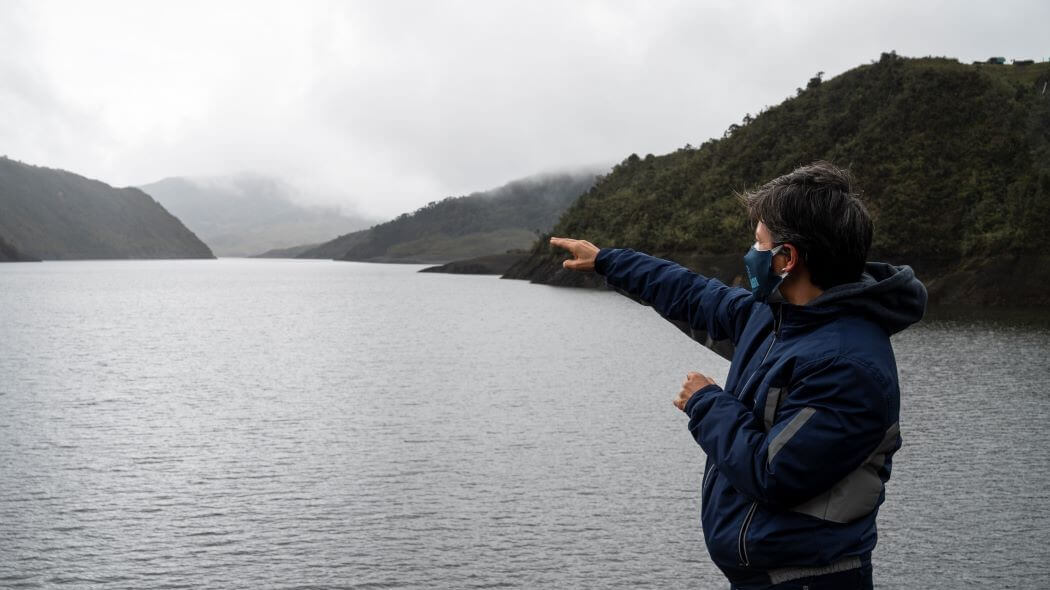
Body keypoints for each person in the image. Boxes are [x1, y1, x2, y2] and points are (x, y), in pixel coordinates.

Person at [550, 161, 927, 590]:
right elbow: (693, 294)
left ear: (787, 259)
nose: (751, 253)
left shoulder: (847, 365)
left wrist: (706, 402)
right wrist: (607, 262)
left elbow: (774, 472)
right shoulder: (777, 317)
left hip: (809, 580)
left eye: (758, 242)